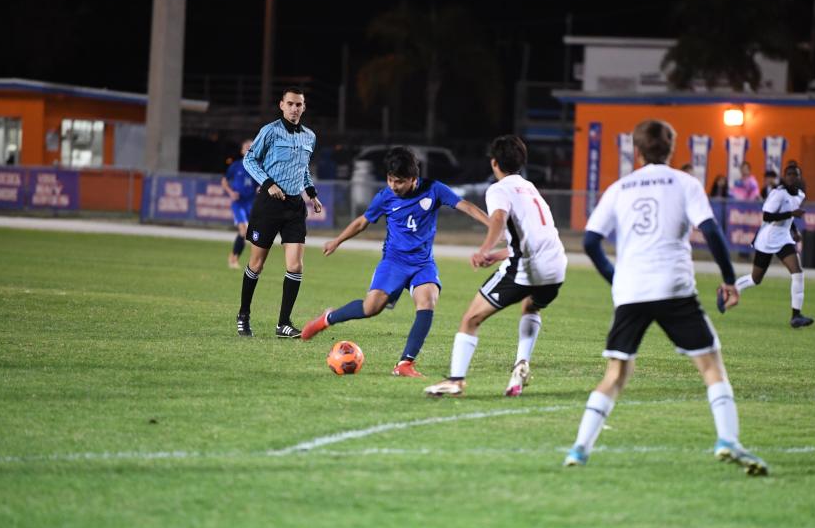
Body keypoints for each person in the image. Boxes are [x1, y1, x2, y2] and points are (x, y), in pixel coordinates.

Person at [564, 119, 768, 476]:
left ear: (637, 151)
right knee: (711, 366)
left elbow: (590, 242)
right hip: (674, 287)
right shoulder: (685, 182)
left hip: (631, 291)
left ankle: (580, 448)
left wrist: (616, 278)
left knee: (615, 373)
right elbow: (711, 231)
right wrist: (727, 280)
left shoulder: (619, 188)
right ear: (672, 149)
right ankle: (728, 440)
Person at [300, 146, 490, 377]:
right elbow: (362, 222)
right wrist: (337, 240)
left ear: (413, 179)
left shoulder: (434, 189)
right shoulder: (385, 197)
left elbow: (466, 206)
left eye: (399, 181)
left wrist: (493, 225)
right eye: (390, 180)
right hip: (394, 261)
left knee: (427, 301)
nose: (393, 186)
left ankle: (405, 364)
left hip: (422, 263)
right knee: (371, 309)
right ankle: (326, 319)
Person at [423, 135, 568, 397]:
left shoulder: (499, 189)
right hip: (557, 267)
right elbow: (534, 236)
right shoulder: (530, 188)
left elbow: (498, 220)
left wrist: (484, 249)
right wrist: (500, 254)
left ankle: (456, 380)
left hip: (528, 269)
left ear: (494, 163)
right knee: (531, 305)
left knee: (470, 319)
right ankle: (521, 364)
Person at [236, 88, 322, 338]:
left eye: (299, 105)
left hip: (295, 207)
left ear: (304, 107)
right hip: (269, 206)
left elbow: (303, 167)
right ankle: (243, 314)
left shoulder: (309, 136)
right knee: (257, 263)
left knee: (295, 266)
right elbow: (250, 160)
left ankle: (283, 324)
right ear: (282, 105)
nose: (295, 108)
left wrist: (311, 193)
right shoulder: (270, 131)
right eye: (291, 104)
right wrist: (268, 183)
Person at [732, 161, 814, 328]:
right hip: (768, 239)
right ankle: (731, 289)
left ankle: (796, 316)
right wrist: (791, 213)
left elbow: (789, 217)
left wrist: (795, 231)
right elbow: (767, 217)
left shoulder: (799, 195)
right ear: (784, 177)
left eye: (795, 174)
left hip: (783, 238)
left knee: (798, 273)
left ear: (799, 177)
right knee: (756, 279)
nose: (792, 177)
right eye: (789, 174)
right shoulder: (778, 193)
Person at [222, 138, 256, 269]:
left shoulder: (258, 167)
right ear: (242, 151)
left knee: (250, 234)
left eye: (251, 147)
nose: (248, 149)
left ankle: (235, 258)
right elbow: (224, 181)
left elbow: (261, 184)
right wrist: (230, 192)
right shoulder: (236, 166)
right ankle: (234, 259)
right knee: (244, 230)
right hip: (239, 203)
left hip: (252, 204)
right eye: (246, 147)